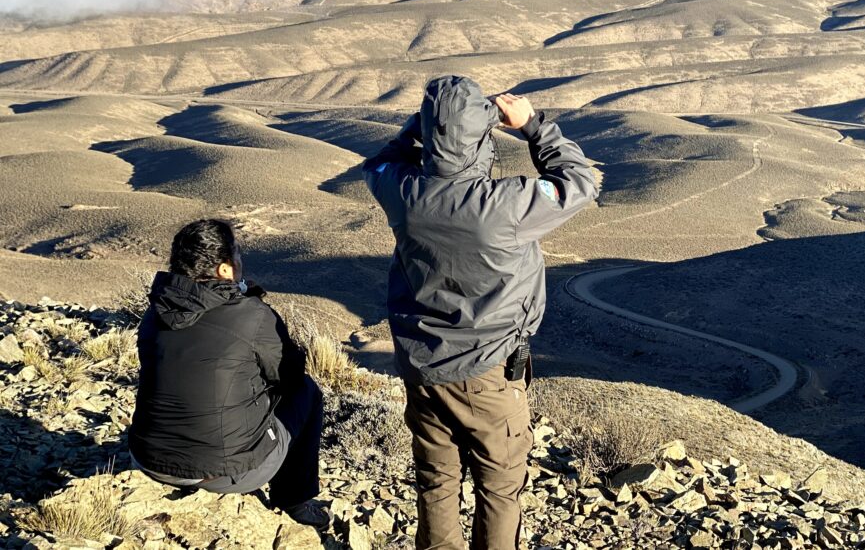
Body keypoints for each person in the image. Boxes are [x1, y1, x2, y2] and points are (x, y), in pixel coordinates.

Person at [362, 76, 598, 549]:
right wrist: (532, 126)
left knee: (437, 480)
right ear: (481, 136)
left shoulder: (404, 194)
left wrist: (425, 126)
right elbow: (579, 181)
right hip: (487, 371)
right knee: (500, 485)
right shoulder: (504, 204)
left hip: (423, 366)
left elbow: (381, 162)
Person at [128, 219, 329, 529]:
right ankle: (295, 499)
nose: (240, 259)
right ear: (224, 269)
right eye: (236, 253)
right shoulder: (252, 316)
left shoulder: (155, 311)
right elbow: (289, 375)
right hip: (225, 472)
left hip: (147, 460)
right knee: (307, 392)